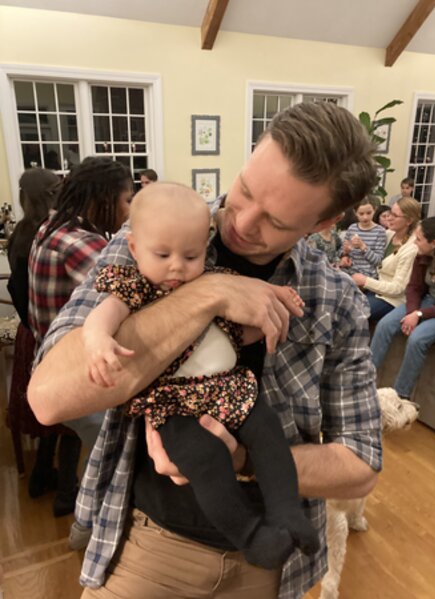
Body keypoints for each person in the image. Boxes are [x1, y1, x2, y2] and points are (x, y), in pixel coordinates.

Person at [29, 102, 382, 599]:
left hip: (272, 565)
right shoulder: (157, 237)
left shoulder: (335, 299)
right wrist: (208, 292)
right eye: (245, 190)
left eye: (276, 220)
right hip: (146, 546)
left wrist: (242, 460)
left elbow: (362, 464)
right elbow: (48, 399)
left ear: (323, 224)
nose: (243, 222)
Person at [82, 182, 319, 568]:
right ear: (135, 249)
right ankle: (250, 535)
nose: (177, 266)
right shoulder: (133, 288)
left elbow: (235, 329)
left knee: (269, 432)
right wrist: (98, 342)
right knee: (205, 461)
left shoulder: (214, 280)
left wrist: (276, 305)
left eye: (191, 255)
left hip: (228, 387)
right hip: (175, 405)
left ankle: (287, 512)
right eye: (163, 254)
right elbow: (99, 319)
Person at [28, 157, 133, 522]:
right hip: (73, 375)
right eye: (127, 201)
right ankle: (89, 525)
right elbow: (130, 295)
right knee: (117, 458)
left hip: (49, 363)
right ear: (102, 200)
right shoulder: (82, 243)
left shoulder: (51, 227)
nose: (129, 211)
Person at [7, 168, 63, 498]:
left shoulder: (21, 231)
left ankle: (42, 473)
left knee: (47, 413)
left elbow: (16, 288)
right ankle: (57, 482)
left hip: (28, 329)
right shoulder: (48, 234)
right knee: (60, 413)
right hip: (43, 329)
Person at [370, 217, 435, 399]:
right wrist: (412, 312)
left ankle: (400, 396)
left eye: (419, 239)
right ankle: (365, 380)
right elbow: (413, 288)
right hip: (425, 302)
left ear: (434, 243)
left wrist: (420, 314)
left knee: (417, 339)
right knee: (384, 325)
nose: (415, 242)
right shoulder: (421, 255)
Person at [352, 198, 421, 321]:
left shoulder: (411, 248)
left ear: (409, 220)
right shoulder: (388, 234)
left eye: (395, 215)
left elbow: (397, 289)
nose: (389, 218)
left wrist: (365, 281)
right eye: (390, 213)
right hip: (375, 289)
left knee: (354, 312)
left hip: (391, 299)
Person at [339, 197, 386, 278]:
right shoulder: (352, 228)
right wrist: (345, 253)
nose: (365, 217)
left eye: (369, 213)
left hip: (367, 275)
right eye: (361, 214)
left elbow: (378, 261)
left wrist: (362, 246)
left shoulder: (380, 231)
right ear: (355, 213)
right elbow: (341, 252)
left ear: (374, 210)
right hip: (348, 271)